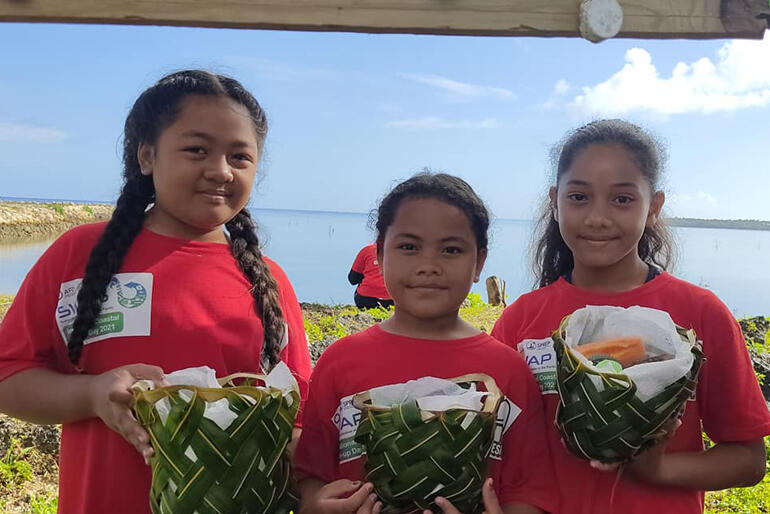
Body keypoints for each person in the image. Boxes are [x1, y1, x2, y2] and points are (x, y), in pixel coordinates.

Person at [0, 70, 313, 513]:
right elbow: (9, 376)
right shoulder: (80, 255)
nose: (220, 170)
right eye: (197, 150)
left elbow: (298, 422)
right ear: (147, 156)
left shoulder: (269, 280)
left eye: (240, 157)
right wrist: (92, 395)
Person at [492, 119, 770, 514]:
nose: (597, 218)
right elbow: (500, 447)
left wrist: (657, 469)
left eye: (622, 199)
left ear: (653, 207)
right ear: (555, 202)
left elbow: (748, 459)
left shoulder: (700, 314)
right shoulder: (521, 320)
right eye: (578, 197)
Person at [294, 172, 556, 514]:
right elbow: (310, 475)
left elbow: (530, 488)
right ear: (379, 255)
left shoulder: (508, 371)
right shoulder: (340, 361)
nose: (428, 266)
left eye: (450, 249)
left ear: (478, 262)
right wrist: (314, 503)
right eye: (408, 247)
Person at [348, 243, 393, 309]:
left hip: (366, 299)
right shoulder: (404, 252)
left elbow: (353, 279)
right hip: (395, 300)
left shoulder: (367, 250)